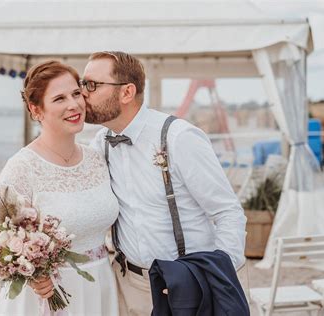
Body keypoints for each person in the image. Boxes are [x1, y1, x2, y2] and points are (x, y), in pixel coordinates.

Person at [82, 51, 247, 315]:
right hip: (129, 285)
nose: (82, 93)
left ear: (126, 92)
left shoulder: (180, 138)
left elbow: (228, 212)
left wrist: (211, 276)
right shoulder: (100, 143)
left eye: (91, 85)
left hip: (188, 285)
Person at [0, 60, 120, 315]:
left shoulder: (97, 159)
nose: (74, 104)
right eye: (59, 98)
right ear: (36, 110)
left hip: (99, 285)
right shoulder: (22, 167)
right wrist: (33, 273)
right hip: (46, 296)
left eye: (76, 93)